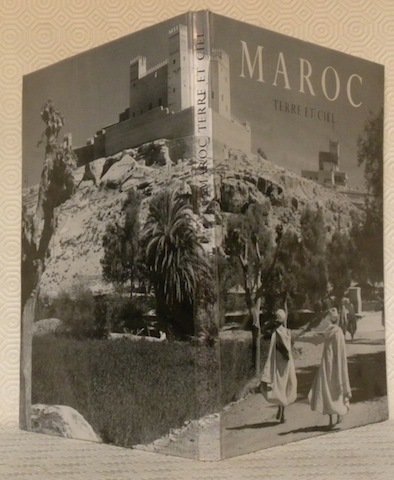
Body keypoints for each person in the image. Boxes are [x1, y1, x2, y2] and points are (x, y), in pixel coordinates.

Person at [308, 307, 352, 428]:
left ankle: (331, 420)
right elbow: (342, 353)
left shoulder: (327, 332)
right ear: (337, 319)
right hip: (338, 365)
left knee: (327, 389)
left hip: (327, 364)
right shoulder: (339, 333)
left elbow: (316, 340)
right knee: (337, 388)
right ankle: (339, 415)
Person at [260, 309, 297, 423]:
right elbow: (291, 345)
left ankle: (280, 410)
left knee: (279, 387)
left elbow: (264, 334)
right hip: (287, 364)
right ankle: (282, 412)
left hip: (277, 365)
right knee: (285, 387)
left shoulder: (274, 334)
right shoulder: (289, 333)